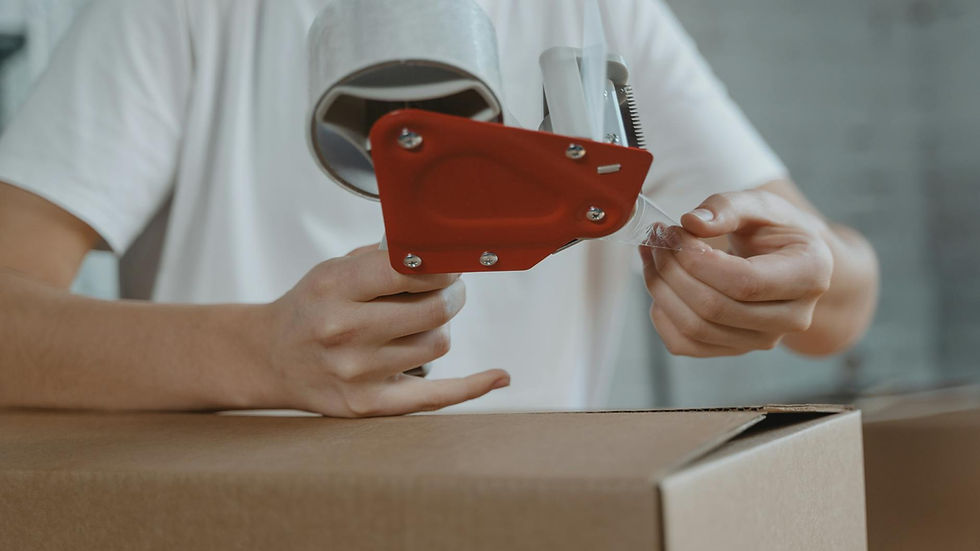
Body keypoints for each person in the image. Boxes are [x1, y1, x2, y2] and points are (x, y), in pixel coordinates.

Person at [0, 0, 878, 416]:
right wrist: (259, 352)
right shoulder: (176, 15)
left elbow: (843, 304)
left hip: (528, 519)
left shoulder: (600, 16)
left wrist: (802, 272)